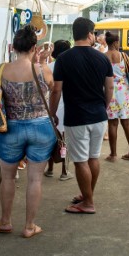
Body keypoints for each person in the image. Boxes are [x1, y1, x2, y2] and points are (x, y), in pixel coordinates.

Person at [0, 25, 55, 238]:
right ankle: (29, 225)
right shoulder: (43, 69)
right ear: (35, 47)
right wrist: (41, 61)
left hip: (11, 127)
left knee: (8, 178)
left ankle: (5, 221)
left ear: (13, 46)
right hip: (41, 126)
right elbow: (53, 88)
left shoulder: (3, 69)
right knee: (35, 179)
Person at [50, 17, 114, 214]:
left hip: (76, 116)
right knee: (93, 158)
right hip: (99, 115)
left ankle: (88, 202)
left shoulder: (63, 59)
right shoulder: (102, 57)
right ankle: (88, 196)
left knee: (80, 161)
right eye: (94, 33)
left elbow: (56, 91)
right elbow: (109, 86)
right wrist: (103, 105)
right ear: (89, 34)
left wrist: (52, 113)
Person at [103, 31, 129, 162]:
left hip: (109, 93)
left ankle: (113, 155)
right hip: (124, 92)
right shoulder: (124, 56)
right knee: (127, 123)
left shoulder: (102, 56)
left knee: (112, 124)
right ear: (116, 42)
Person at [44, 39, 73, 181]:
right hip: (65, 105)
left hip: (51, 105)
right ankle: (64, 171)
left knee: (52, 138)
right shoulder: (70, 66)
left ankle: (49, 169)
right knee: (64, 139)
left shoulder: (48, 66)